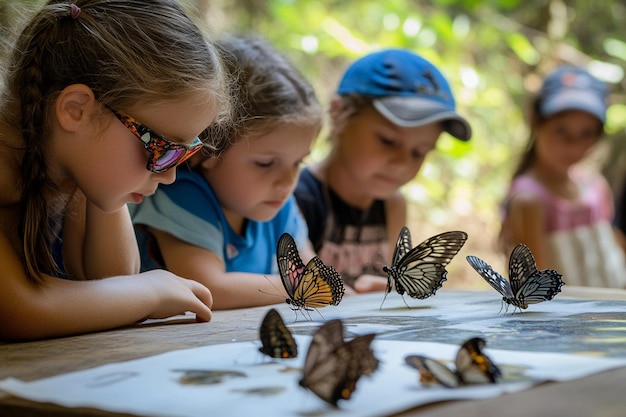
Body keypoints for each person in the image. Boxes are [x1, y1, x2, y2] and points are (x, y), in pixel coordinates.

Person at [0, 0, 231, 341]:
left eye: (184, 153)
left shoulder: (72, 160)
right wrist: (151, 292)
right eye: (161, 148)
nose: (168, 175)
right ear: (76, 110)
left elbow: (113, 277)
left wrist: (105, 178)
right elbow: (16, 310)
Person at [131, 36, 323, 310]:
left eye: (298, 163)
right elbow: (210, 289)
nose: (287, 181)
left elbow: (311, 272)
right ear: (211, 149)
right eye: (266, 163)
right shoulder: (183, 194)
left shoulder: (278, 204)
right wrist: (303, 287)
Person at [294, 49, 472, 293]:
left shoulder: (392, 205)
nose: (402, 163)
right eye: (388, 141)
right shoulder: (296, 199)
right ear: (339, 113)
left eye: (419, 152)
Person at [500, 66, 626, 288]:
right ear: (535, 121)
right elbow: (535, 291)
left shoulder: (596, 186)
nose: (572, 144)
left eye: (586, 133)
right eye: (561, 131)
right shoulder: (529, 200)